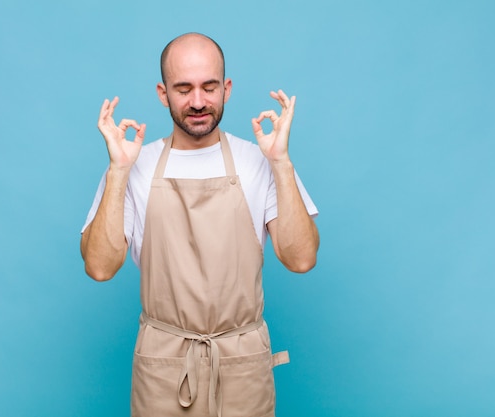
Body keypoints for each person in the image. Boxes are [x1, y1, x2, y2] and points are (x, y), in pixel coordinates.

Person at [80, 32, 319, 417]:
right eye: (183, 89)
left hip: (241, 364)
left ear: (226, 88)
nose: (197, 102)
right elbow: (99, 267)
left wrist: (281, 163)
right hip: (164, 367)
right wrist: (118, 172)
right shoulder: (134, 163)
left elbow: (301, 258)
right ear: (163, 93)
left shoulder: (258, 160)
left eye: (209, 88)